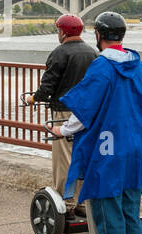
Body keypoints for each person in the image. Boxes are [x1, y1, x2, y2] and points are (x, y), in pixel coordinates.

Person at [49, 11, 142, 234]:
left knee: (107, 211)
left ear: (98, 36)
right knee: (129, 212)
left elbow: (85, 109)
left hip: (107, 149)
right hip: (134, 148)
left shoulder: (102, 67)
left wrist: (63, 131)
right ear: (122, 36)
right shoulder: (138, 66)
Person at [19, 13, 96, 216]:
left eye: (58, 30)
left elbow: (47, 86)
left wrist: (33, 99)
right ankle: (82, 203)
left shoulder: (59, 53)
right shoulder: (93, 53)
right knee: (82, 156)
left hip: (63, 112)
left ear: (63, 31)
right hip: (88, 113)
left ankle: (67, 203)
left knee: (64, 159)